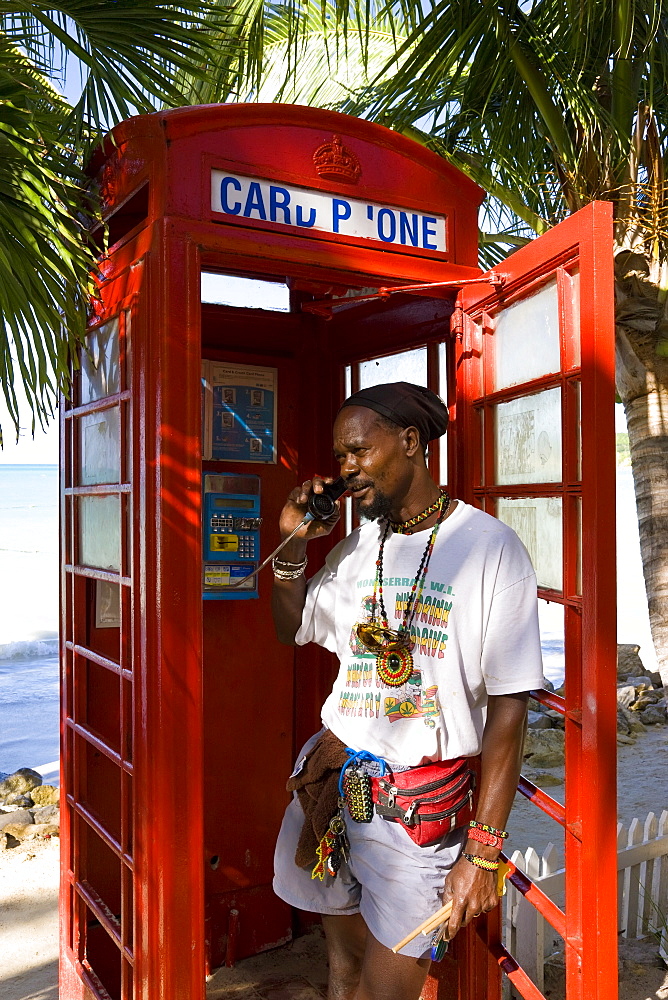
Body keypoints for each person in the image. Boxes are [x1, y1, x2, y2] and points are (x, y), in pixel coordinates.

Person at [271, 382, 544, 1000]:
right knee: (342, 972)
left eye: (359, 452)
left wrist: (482, 850)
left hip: (416, 812)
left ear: (412, 443)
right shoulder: (357, 546)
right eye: (340, 456)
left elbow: (509, 706)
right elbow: (291, 627)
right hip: (334, 785)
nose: (345, 470)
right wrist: (292, 542)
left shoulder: (490, 549)